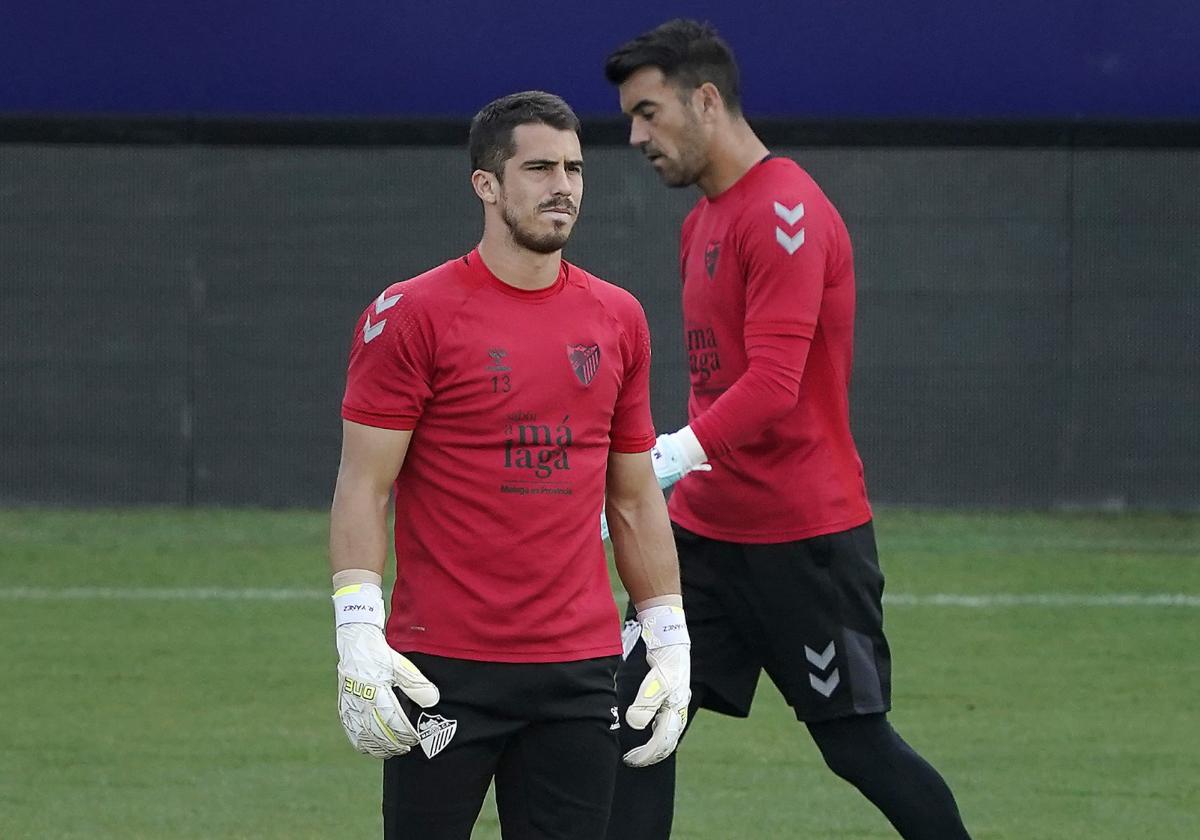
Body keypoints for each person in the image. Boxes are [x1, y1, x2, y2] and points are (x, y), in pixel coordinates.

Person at [601, 20, 973, 839]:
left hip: (804, 544)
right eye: (630, 118)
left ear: (706, 100)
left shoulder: (785, 212)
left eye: (649, 113)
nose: (635, 136)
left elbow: (773, 385)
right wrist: (671, 476)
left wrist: (664, 458)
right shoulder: (700, 223)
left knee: (856, 746)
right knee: (634, 724)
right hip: (702, 539)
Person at [327, 90, 692, 840]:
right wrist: (357, 630)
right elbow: (365, 485)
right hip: (444, 669)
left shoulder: (619, 317)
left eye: (574, 168)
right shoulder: (412, 314)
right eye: (538, 168)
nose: (563, 185)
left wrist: (668, 634)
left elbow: (632, 496)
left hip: (580, 673)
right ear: (486, 185)